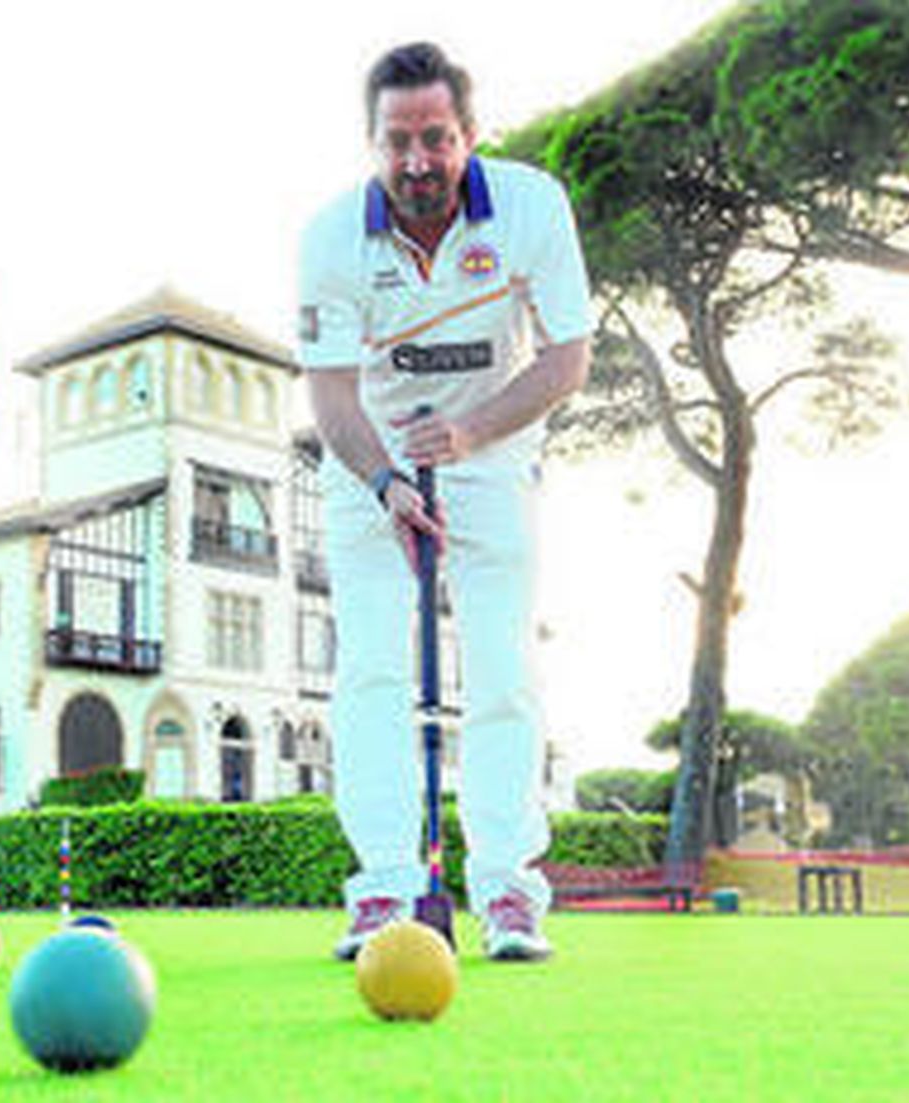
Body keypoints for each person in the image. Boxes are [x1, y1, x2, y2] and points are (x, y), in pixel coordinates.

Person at [298, 42, 592, 962]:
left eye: (436, 138)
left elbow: (566, 358)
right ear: (372, 143)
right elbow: (330, 392)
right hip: (370, 457)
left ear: (469, 134)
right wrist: (385, 481)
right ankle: (384, 887)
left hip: (492, 449)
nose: (418, 160)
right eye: (398, 141)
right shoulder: (330, 237)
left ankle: (507, 889)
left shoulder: (533, 207)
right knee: (371, 670)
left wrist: (469, 434)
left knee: (503, 664)